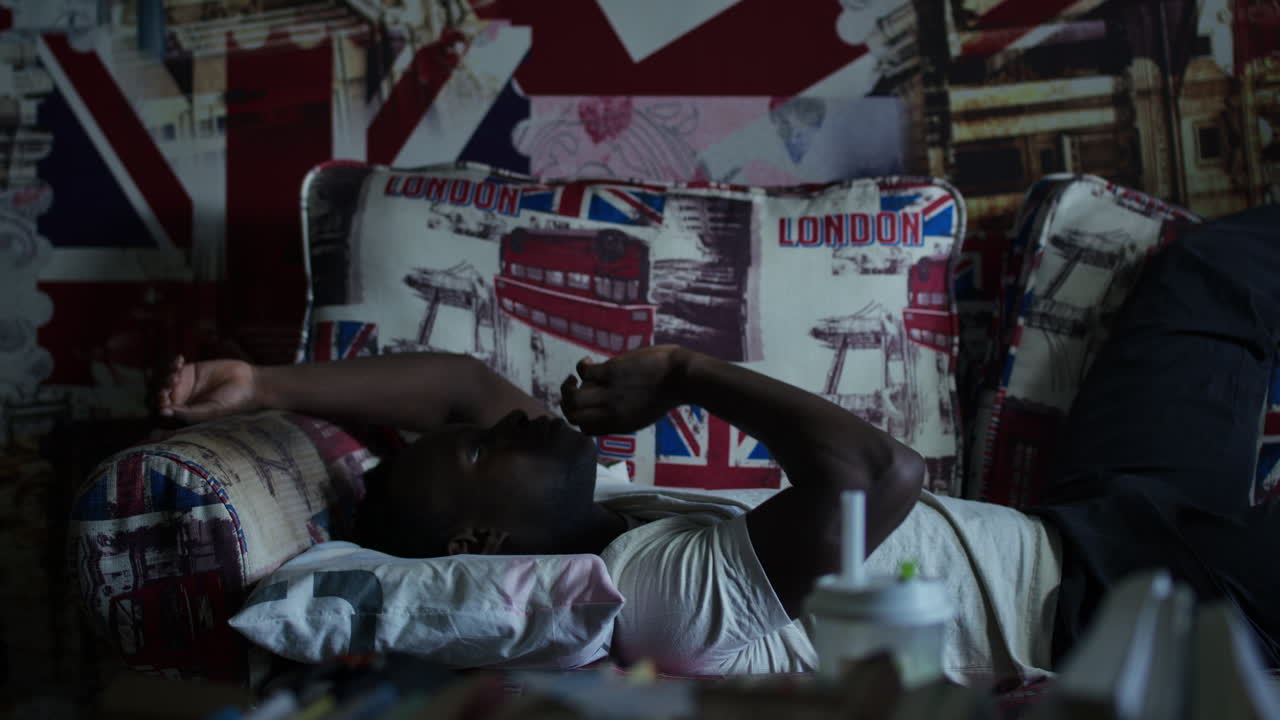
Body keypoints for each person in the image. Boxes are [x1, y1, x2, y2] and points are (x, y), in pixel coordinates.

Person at [156, 206, 1280, 683]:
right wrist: (688, 374)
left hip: (1080, 520)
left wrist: (263, 381)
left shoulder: (583, 514)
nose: (498, 418)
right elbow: (874, 475)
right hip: (1120, 610)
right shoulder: (649, 595)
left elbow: (454, 386)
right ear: (489, 534)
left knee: (1204, 275)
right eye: (476, 450)